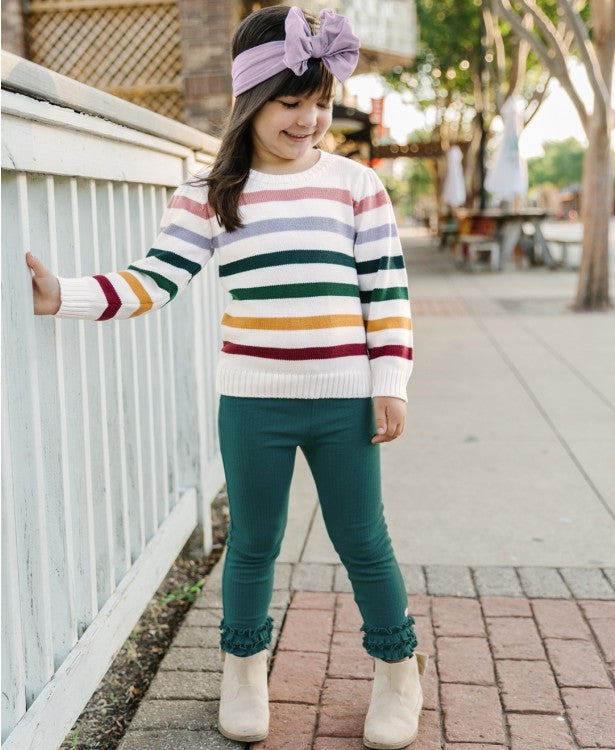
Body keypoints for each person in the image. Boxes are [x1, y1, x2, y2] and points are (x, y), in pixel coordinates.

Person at [25, 5, 427, 748]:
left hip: (345, 404)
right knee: (252, 543)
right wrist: (67, 296)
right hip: (252, 403)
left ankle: (398, 670)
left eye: (320, 103)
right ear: (250, 101)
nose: (308, 119)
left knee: (362, 540)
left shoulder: (356, 186)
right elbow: (155, 280)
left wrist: (389, 383)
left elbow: (386, 292)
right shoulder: (212, 193)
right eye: (289, 102)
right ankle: (243, 670)